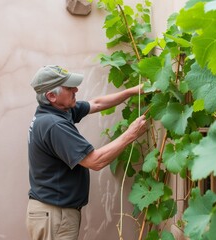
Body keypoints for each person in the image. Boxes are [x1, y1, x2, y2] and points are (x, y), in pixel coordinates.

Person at [26, 65, 147, 240]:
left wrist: (132, 92)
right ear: (51, 96)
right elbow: (95, 161)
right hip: (55, 214)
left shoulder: (57, 112)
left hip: (53, 212)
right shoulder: (54, 125)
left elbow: (96, 104)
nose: (76, 89)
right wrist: (131, 134)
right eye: (69, 88)